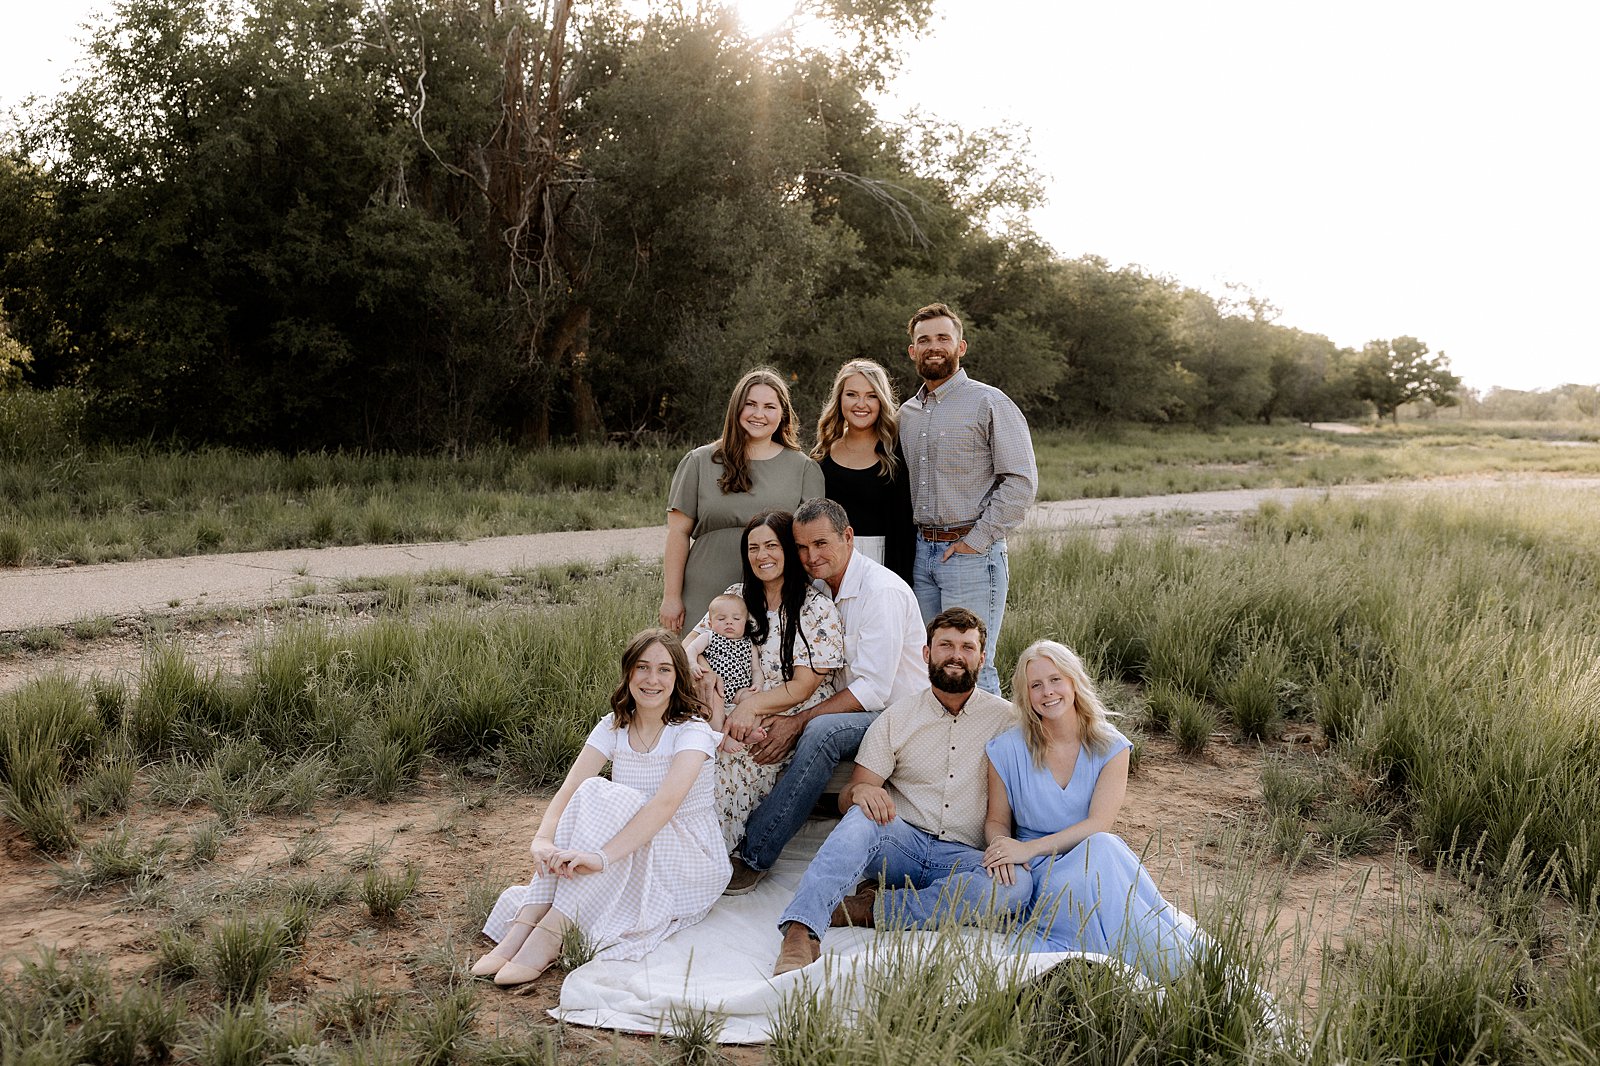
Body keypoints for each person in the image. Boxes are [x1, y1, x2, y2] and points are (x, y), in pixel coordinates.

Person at [772, 608, 1032, 974]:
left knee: (1017, 884)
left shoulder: (1008, 721)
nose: (956, 655)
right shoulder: (897, 717)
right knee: (861, 819)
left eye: (967, 647)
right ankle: (801, 931)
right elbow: (853, 793)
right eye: (945, 645)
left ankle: (870, 909)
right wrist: (860, 794)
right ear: (927, 654)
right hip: (899, 847)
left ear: (982, 658)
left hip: (962, 857)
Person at [471, 629, 730, 987]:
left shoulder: (692, 732)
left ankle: (548, 935)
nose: (652, 679)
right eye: (642, 667)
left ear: (677, 677)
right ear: (628, 674)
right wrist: (543, 839)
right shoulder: (614, 726)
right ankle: (522, 930)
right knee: (593, 791)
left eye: (664, 670)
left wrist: (602, 857)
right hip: (630, 843)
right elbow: (570, 789)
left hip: (686, 858)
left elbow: (664, 806)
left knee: (612, 796)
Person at [724, 496, 925, 894]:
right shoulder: (818, 586)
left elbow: (873, 690)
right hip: (852, 705)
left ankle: (754, 855)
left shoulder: (879, 592)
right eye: (801, 546)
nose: (810, 556)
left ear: (848, 537)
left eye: (820, 544)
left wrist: (797, 721)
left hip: (897, 715)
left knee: (821, 733)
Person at [982, 640, 1202, 982]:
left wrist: (1028, 847)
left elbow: (1099, 824)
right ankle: (1136, 966)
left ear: (1073, 682)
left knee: (1104, 846)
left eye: (1055, 680)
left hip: (1088, 857)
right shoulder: (1007, 748)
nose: (1048, 692)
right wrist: (1003, 850)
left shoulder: (1111, 746)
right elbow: (996, 820)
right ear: (1026, 696)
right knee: (1103, 853)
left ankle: (1166, 967)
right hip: (1038, 870)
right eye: (1036, 685)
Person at [898, 303, 1038, 694]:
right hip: (921, 553)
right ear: (913, 352)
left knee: (975, 665)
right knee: (931, 663)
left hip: (970, 557)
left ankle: (987, 755)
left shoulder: (989, 402)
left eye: (943, 338)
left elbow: (1021, 481)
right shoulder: (906, 413)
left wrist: (976, 541)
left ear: (961, 346)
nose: (933, 346)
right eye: (923, 340)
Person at [685, 511, 845, 852]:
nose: (762, 556)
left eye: (771, 545)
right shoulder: (736, 595)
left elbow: (803, 686)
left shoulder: (817, 608)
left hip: (782, 713)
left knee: (723, 772)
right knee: (684, 758)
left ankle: (707, 855)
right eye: (753, 547)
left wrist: (750, 707)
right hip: (723, 707)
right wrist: (706, 671)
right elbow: (694, 643)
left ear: (788, 548)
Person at [661, 368, 825, 635]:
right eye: (750, 404)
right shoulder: (699, 461)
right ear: (736, 408)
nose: (759, 414)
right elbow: (678, 533)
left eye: (769, 406)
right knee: (699, 670)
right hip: (705, 592)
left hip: (775, 595)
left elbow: (811, 542)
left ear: (782, 414)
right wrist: (672, 596)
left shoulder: (804, 468)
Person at [811, 358, 914, 584]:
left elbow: (904, 532)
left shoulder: (894, 454)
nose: (861, 403)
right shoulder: (822, 453)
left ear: (882, 401)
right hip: (826, 564)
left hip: (879, 564)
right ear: (839, 398)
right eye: (852, 394)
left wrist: (898, 584)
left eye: (871, 395)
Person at [682, 592, 764, 753]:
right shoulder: (709, 637)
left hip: (739, 690)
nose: (729, 622)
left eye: (736, 619)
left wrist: (758, 684)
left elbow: (756, 669)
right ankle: (721, 737)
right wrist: (692, 663)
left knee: (756, 701)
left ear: (745, 622)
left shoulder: (749, 643)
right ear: (711, 623)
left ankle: (746, 734)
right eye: (721, 619)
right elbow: (691, 649)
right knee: (712, 701)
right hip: (717, 687)